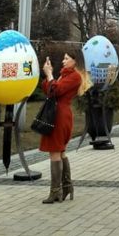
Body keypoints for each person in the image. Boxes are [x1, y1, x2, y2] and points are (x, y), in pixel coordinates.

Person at [40, 52, 92, 203]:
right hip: (58, 114)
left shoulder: (74, 77)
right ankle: (67, 186)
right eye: (63, 58)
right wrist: (48, 76)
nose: (63, 61)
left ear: (75, 62)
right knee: (60, 151)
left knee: (55, 152)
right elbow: (50, 90)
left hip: (60, 116)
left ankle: (56, 191)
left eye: (66, 58)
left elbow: (56, 91)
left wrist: (50, 75)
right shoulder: (66, 75)